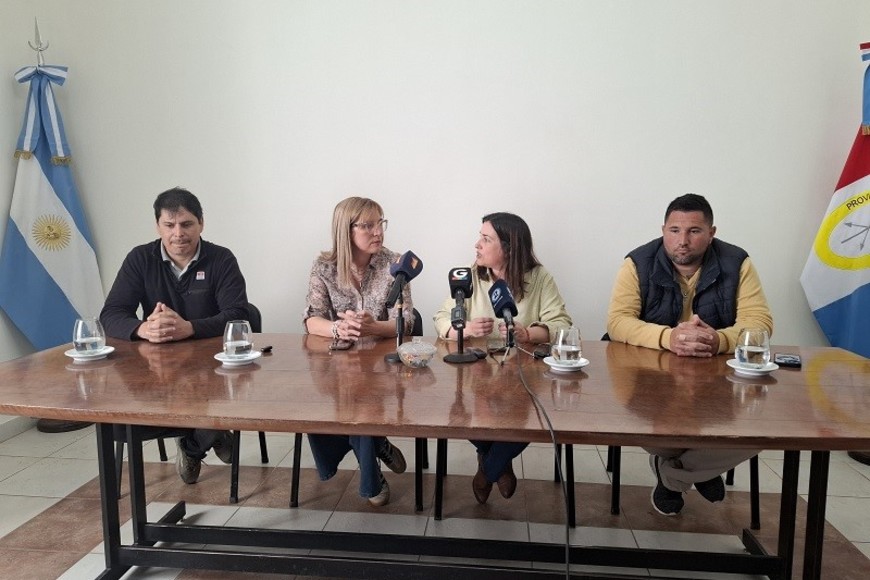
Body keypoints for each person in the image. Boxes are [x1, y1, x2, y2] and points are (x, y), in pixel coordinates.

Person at [606, 193, 773, 516]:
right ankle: (703, 467)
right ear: (663, 230)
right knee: (638, 420)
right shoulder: (637, 262)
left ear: (711, 233)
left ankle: (674, 476)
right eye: (674, 230)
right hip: (650, 377)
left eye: (694, 231)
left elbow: (760, 323)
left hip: (718, 379)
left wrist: (719, 340)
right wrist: (670, 337)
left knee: (764, 427)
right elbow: (617, 322)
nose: (682, 241)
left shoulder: (737, 262)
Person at [100, 187, 249, 485]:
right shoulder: (140, 259)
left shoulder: (221, 259)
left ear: (201, 224)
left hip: (213, 365)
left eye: (186, 224)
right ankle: (211, 432)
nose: (178, 233)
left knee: (224, 399)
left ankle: (193, 446)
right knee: (119, 423)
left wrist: (189, 328)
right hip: (157, 366)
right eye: (169, 225)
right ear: (158, 226)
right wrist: (143, 328)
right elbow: (112, 313)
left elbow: (238, 315)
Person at [434, 212, 572, 504]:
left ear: (508, 247)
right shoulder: (471, 275)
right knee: (467, 412)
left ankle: (488, 470)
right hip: (478, 371)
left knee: (529, 418)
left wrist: (530, 333)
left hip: (524, 372)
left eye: (486, 239)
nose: (477, 245)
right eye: (480, 237)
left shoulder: (539, 277)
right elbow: (441, 318)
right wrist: (465, 327)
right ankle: (500, 464)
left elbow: (561, 322)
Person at [303, 196, 413, 507]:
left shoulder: (396, 264)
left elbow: (406, 321)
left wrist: (372, 327)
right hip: (338, 361)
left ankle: (370, 478)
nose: (378, 231)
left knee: (362, 404)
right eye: (368, 225)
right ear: (346, 230)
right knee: (322, 403)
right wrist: (339, 329)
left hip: (383, 364)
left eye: (381, 223)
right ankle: (378, 444)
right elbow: (312, 318)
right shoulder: (323, 266)